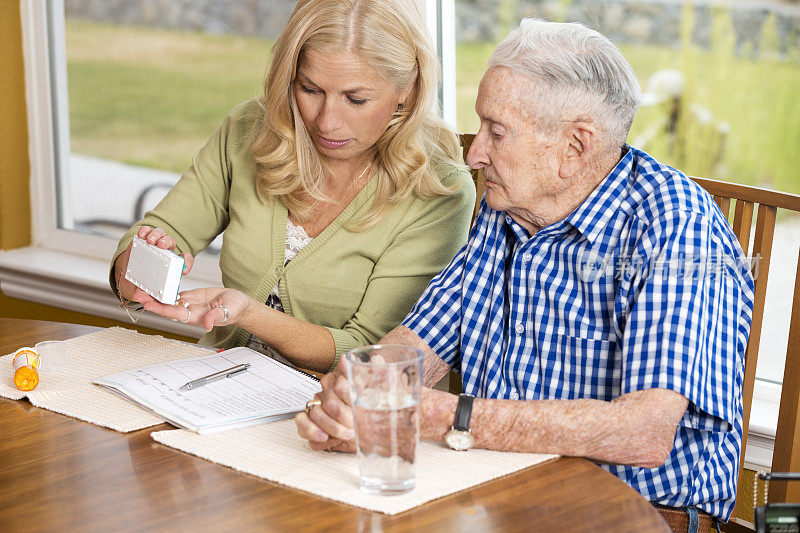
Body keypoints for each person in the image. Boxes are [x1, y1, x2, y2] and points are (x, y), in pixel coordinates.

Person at [296, 18, 755, 530]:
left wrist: (442, 416)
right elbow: (417, 347)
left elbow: (642, 433)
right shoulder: (509, 203)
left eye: (497, 131)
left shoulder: (677, 226)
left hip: (633, 517)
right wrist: (357, 391)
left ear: (576, 147)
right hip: (497, 494)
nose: (475, 154)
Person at [110, 0, 475, 373]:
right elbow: (153, 239)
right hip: (212, 387)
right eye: (310, 89)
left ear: (408, 87)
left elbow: (373, 353)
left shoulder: (440, 190)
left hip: (335, 412)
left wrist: (250, 315)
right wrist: (143, 265)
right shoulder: (248, 130)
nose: (327, 122)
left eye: (356, 99)